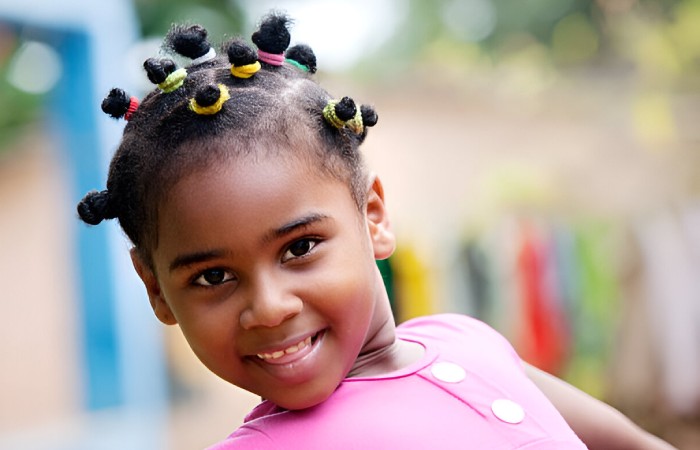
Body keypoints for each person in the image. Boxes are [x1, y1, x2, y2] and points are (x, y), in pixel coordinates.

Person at [77, 11, 675, 450]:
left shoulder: (465, 340)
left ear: (373, 217)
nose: (268, 306)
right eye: (213, 276)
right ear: (157, 289)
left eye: (300, 247)